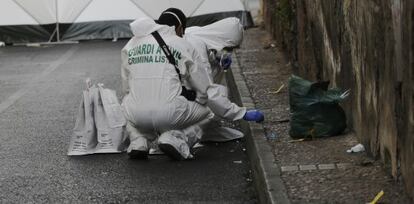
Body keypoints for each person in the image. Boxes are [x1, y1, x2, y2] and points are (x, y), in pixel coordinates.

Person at [121, 8, 264, 160]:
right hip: (169, 115)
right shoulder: (182, 44)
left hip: (136, 115)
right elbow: (207, 92)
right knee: (209, 109)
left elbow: (126, 88)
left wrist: (216, 59)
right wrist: (241, 113)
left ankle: (139, 141)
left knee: (126, 103)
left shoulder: (131, 44)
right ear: (179, 28)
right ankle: (178, 139)